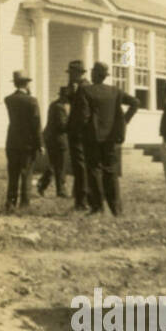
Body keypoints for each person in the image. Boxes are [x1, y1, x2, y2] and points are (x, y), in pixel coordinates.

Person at [77, 61, 140, 217]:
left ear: (95, 74)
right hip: (111, 138)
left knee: (94, 170)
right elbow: (135, 102)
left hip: (92, 138)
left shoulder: (85, 91)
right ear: (105, 76)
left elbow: (84, 116)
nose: (90, 74)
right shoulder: (115, 91)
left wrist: (81, 131)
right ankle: (116, 209)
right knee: (111, 172)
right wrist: (124, 120)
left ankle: (98, 207)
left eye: (92, 71)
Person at [4, 70, 42, 211]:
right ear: (26, 83)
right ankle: (25, 202)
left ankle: (11, 201)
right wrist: (40, 143)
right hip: (28, 141)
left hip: (12, 140)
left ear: (15, 83)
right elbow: (36, 123)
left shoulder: (9, 99)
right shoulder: (32, 101)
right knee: (26, 171)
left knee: (13, 172)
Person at [64, 61, 91, 211]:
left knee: (80, 166)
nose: (70, 76)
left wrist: (78, 130)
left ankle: (82, 200)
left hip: (79, 133)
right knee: (79, 166)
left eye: (72, 73)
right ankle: (80, 196)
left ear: (78, 73)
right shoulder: (78, 88)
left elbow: (83, 113)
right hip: (78, 132)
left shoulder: (84, 88)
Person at [38, 86, 71, 198]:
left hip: (51, 138)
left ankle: (42, 184)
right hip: (58, 139)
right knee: (60, 165)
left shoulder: (54, 105)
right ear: (64, 96)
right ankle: (60, 190)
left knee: (53, 164)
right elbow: (62, 125)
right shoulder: (60, 107)